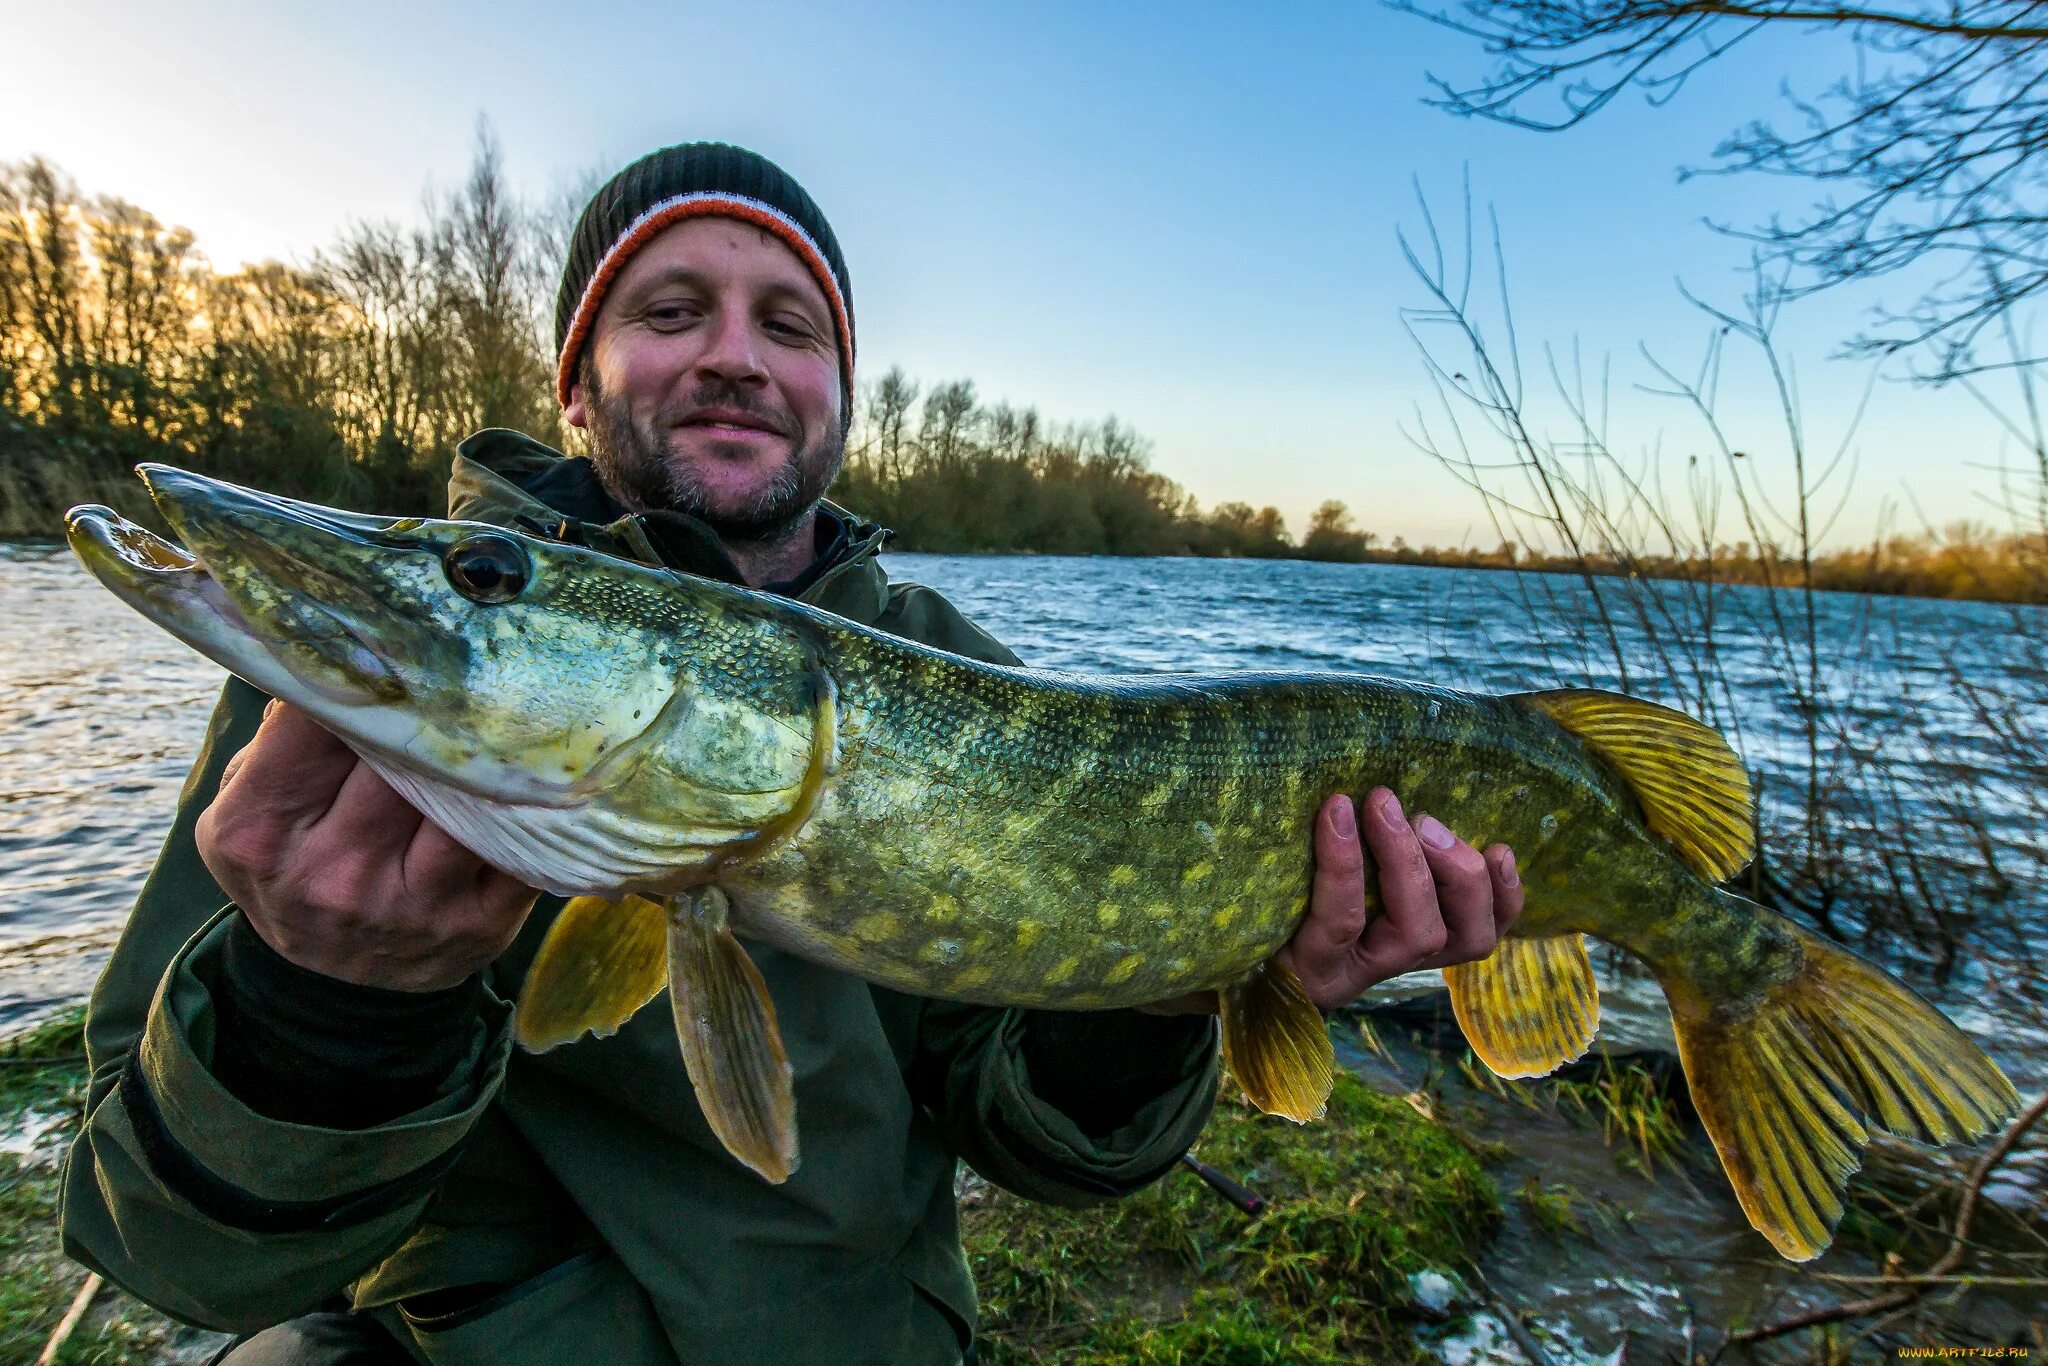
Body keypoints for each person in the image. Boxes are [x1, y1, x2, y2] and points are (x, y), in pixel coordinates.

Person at [59, 143, 1523, 1365]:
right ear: (577, 383)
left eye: (791, 325)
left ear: (839, 397)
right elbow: (165, 1248)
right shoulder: (339, 730)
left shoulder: (952, 664)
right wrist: (323, 1013)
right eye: (672, 309)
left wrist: (1173, 986)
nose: (735, 360)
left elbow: (1050, 1143)